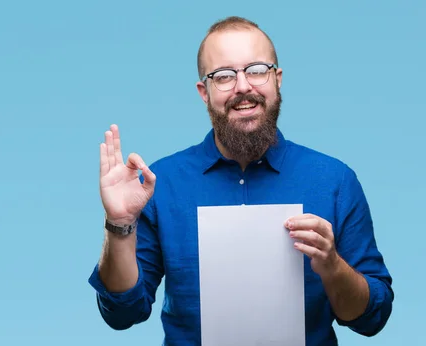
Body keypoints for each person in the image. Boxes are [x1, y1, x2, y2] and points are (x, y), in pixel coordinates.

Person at [87, 16, 394, 346]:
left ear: (277, 80)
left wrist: (333, 267)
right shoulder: (159, 185)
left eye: (257, 70)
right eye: (224, 76)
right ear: (204, 92)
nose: (243, 86)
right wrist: (118, 225)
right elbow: (122, 314)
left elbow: (371, 318)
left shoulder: (335, 181)